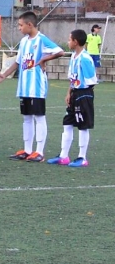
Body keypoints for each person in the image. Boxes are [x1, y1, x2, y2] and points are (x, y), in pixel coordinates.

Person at [0, 11, 63, 162]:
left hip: (36, 87)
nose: (19, 28)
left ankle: (39, 152)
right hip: (24, 86)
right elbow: (18, 62)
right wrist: (4, 76)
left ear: (29, 25)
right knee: (26, 118)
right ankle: (27, 150)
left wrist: (44, 59)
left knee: (39, 117)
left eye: (20, 25)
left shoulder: (42, 40)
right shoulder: (24, 41)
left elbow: (60, 51)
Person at [47, 29, 97, 168]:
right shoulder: (73, 57)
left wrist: (83, 96)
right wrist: (69, 93)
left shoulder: (85, 59)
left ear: (75, 42)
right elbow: (72, 79)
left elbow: (91, 81)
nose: (68, 42)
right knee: (67, 123)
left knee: (82, 125)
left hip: (84, 94)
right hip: (75, 93)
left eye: (69, 39)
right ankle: (64, 156)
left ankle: (82, 157)